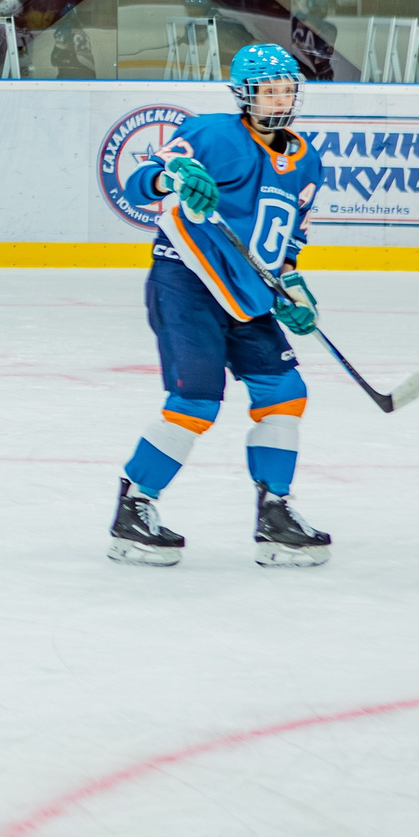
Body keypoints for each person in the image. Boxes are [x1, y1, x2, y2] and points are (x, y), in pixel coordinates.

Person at [106, 42, 333, 568]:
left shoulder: (307, 160)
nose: (278, 99)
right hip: (185, 281)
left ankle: (275, 513)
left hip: (248, 294)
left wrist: (293, 291)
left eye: (285, 89)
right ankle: (134, 508)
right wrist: (174, 178)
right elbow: (138, 183)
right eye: (267, 90)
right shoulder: (208, 133)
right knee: (197, 400)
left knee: (285, 392)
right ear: (244, 95)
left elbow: (290, 242)